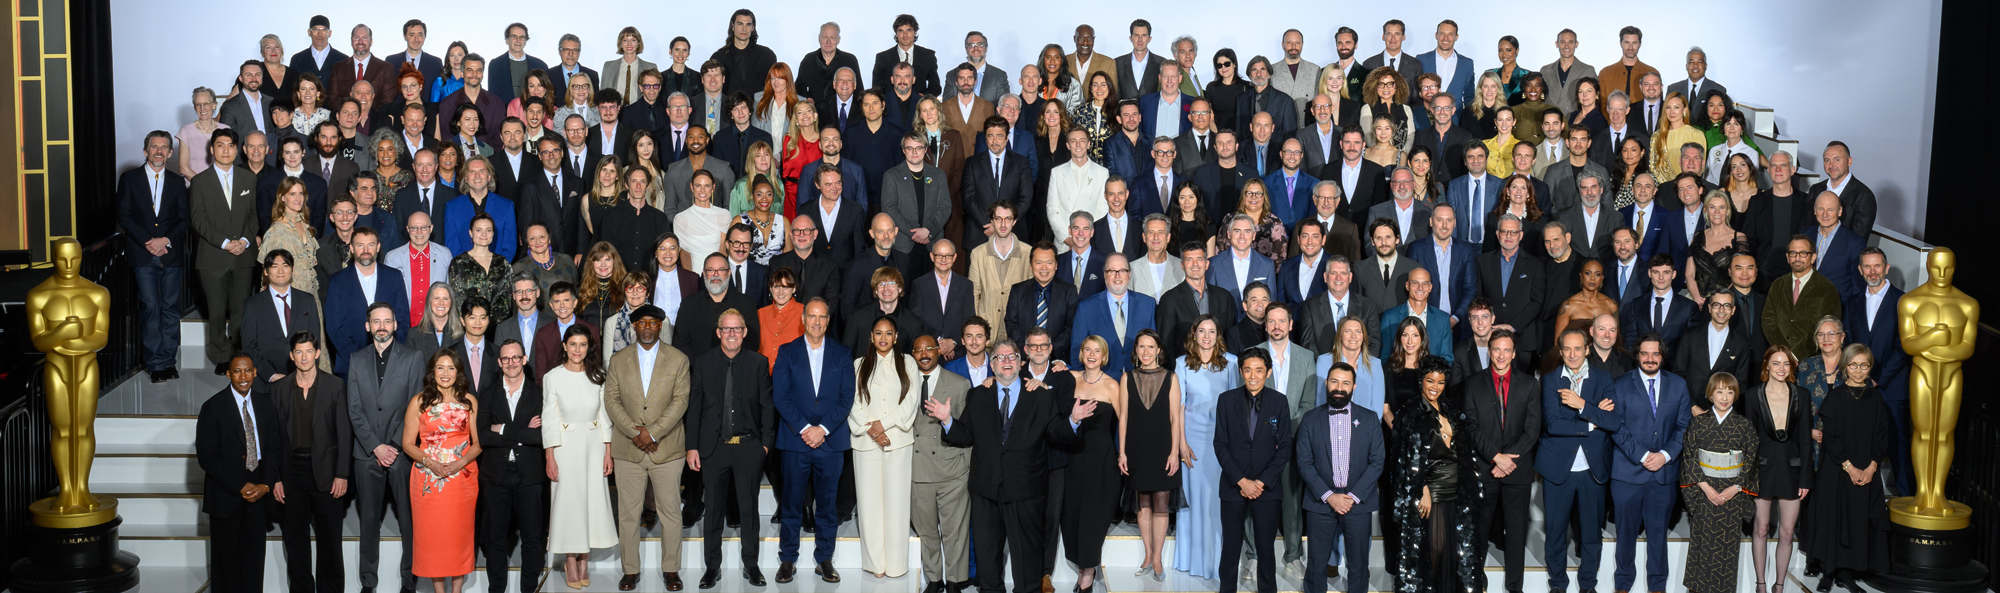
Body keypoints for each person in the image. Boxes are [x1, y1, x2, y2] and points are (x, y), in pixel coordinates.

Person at [927, 337, 1089, 593]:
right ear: (992, 365)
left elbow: (1056, 433)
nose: (1006, 361)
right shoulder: (977, 395)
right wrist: (948, 421)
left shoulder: (1041, 396)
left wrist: (1073, 420)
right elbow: (966, 435)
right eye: (1000, 357)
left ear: (1020, 362)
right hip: (986, 489)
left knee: (1027, 555)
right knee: (987, 554)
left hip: (1026, 489)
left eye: (1011, 357)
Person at [603, 301, 692, 592]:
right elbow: (611, 401)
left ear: (660, 326)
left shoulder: (678, 359)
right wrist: (635, 433)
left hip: (666, 450)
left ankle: (671, 570)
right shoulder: (618, 360)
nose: (647, 328)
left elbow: (680, 402)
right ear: (634, 326)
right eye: (642, 323)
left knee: (670, 513)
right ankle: (630, 570)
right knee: (628, 514)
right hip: (628, 451)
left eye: (653, 323)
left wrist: (652, 434)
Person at [686, 308, 775, 587]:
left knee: (748, 511)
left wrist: (765, 446)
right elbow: (695, 407)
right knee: (712, 511)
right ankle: (712, 567)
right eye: (727, 329)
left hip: (748, 448)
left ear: (745, 332)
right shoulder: (702, 362)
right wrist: (692, 447)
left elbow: (767, 408)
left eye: (737, 329)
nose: (732, 334)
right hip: (714, 449)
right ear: (718, 333)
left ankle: (752, 565)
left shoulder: (759, 363)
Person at [770, 297, 852, 583]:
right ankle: (788, 560)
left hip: (831, 443)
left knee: (827, 506)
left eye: (822, 317)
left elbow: (846, 398)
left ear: (828, 321)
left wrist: (823, 429)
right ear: (803, 319)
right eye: (812, 317)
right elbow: (780, 396)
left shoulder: (843, 354)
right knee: (791, 504)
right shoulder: (787, 351)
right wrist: (806, 428)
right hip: (795, 441)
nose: (817, 322)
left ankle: (824, 560)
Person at [1537, 330, 1623, 593]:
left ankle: (1588, 585)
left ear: (1587, 349)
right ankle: (1558, 585)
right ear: (1560, 351)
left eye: (1578, 349)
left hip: (1592, 469)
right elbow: (1553, 424)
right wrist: (1592, 423)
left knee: (1591, 533)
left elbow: (1613, 421)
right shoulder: (1551, 381)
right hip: (1557, 468)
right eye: (1567, 349)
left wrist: (1582, 404)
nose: (1572, 354)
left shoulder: (1603, 378)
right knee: (1555, 533)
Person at [196, 354, 287, 593]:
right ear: (228, 374)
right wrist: (239, 485)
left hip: (258, 497)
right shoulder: (213, 407)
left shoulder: (266, 404)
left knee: (253, 563)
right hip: (226, 497)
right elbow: (207, 456)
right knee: (225, 567)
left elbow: (275, 448)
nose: (243, 376)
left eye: (248, 371)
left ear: (255, 372)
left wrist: (266, 485)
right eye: (237, 371)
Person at [1610, 333, 1693, 593]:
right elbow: (1617, 428)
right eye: (1644, 353)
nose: (1650, 358)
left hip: (1664, 475)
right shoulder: (1620, 384)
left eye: (1655, 353)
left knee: (1658, 537)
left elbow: (1683, 426)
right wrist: (1644, 456)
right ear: (1637, 355)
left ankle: (1657, 587)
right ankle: (1622, 586)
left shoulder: (1678, 385)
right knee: (1625, 536)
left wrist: (1665, 455)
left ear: (1662, 356)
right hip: (1627, 474)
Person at [1390, 355, 1479, 593]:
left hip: (1455, 493)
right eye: (1430, 381)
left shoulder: (1450, 408)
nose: (1435, 387)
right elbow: (1404, 460)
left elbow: (1462, 452)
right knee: (1432, 554)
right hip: (1431, 494)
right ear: (1421, 381)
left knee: (1454, 555)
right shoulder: (1409, 414)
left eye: (1440, 382)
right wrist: (1423, 490)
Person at [1461, 330, 1539, 593]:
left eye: (1507, 350)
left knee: (1515, 535)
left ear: (1514, 353)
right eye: (1496, 349)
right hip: (1484, 469)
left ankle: (1515, 587)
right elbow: (1470, 427)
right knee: (1479, 533)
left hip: (1517, 472)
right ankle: (1476, 584)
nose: (1502, 355)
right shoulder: (1472, 383)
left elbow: (1532, 430)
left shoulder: (1529, 384)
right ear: (1489, 351)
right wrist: (1495, 457)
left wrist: (1507, 461)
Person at [1298, 361, 1385, 593]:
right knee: (1316, 565)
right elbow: (1304, 463)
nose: (1339, 387)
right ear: (1326, 384)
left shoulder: (1369, 419)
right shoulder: (1309, 419)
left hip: (1357, 503)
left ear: (1354, 386)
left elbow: (1377, 462)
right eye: (1334, 381)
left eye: (1345, 383)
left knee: (1358, 565)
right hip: (1320, 502)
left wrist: (1352, 496)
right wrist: (1329, 496)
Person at [476, 338, 555, 593]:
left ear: (524, 360)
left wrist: (504, 429)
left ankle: (528, 589)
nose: (511, 363)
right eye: (506, 359)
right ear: (499, 363)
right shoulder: (487, 394)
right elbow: (483, 437)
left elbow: (542, 436)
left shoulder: (539, 394)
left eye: (516, 358)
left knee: (532, 540)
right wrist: (522, 431)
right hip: (495, 477)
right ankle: (496, 589)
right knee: (495, 540)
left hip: (529, 477)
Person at [270, 334, 346, 593]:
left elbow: (344, 434)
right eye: (298, 352)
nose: (303, 357)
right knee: (295, 540)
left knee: (330, 541)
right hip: (292, 472)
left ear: (317, 353)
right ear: (292, 356)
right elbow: (274, 439)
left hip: (326, 471)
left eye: (308, 351)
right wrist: (276, 478)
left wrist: (342, 474)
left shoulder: (335, 386)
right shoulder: (279, 389)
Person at [400, 349, 481, 593]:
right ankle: (439, 590)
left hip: (462, 479)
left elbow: (478, 444)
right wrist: (431, 463)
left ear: (458, 372)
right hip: (428, 481)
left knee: (459, 535)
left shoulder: (469, 401)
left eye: (451, 368)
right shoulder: (419, 401)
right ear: (432, 371)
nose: (445, 373)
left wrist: (458, 463)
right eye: (440, 368)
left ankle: (456, 590)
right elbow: (407, 444)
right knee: (432, 538)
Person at [849, 316, 922, 579]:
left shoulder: (909, 363)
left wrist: (884, 425)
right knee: (869, 505)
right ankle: (874, 564)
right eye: (878, 333)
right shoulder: (859, 365)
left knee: (897, 504)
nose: (883, 338)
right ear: (871, 336)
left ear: (896, 336)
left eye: (888, 333)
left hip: (898, 442)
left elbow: (911, 401)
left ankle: (896, 565)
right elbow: (853, 403)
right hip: (866, 443)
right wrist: (873, 430)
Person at [1213, 348, 1292, 593]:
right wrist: (1241, 480)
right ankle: (1227, 589)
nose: (1253, 375)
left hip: (1266, 488)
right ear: (1241, 371)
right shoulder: (1226, 400)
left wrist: (1261, 482)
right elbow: (1220, 444)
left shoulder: (1279, 401)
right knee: (1231, 547)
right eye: (1247, 370)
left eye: (1259, 370)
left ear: (1268, 372)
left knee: (1266, 548)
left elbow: (1286, 446)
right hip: (1233, 485)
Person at [119, 131, 191, 382]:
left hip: (170, 255)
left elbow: (184, 218)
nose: (159, 151)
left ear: (170, 153)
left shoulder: (176, 181)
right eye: (154, 147)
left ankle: (169, 361)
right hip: (142, 254)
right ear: (145, 151)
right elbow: (124, 216)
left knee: (170, 309)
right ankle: (155, 363)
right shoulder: (129, 179)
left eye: (164, 147)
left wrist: (165, 240)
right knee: (150, 308)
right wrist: (148, 242)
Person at [1680, 372, 1760, 593]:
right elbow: (1689, 457)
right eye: (1719, 391)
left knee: (1726, 551)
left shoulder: (1744, 425)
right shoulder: (1698, 424)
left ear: (1736, 394)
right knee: (1702, 547)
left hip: (1732, 495)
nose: (1725, 397)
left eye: (1730, 391)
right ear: (1710, 394)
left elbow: (1751, 460)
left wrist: (1735, 488)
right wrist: (1705, 488)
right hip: (1705, 493)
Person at [1114, 330, 1183, 582]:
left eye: (1150, 347)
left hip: (1163, 447)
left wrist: (1174, 452)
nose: (1145, 351)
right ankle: (1147, 554)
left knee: (1161, 503)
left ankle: (1157, 559)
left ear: (1158, 350)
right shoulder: (1126, 378)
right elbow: (1124, 418)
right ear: (1136, 351)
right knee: (1142, 502)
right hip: (1136, 448)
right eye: (1141, 347)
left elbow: (1176, 418)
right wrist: (1122, 452)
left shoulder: (1171, 377)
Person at [908, 334, 975, 593]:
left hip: (952, 471)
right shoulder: (904, 382)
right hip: (917, 471)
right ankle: (934, 580)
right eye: (918, 350)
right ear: (912, 354)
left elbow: (967, 432)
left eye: (929, 349)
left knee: (955, 533)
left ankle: (956, 581)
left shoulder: (959, 384)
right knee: (927, 533)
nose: (924, 354)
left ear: (940, 351)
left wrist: (947, 420)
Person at [1173, 316, 1239, 578]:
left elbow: (1236, 407)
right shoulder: (1181, 364)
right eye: (1202, 331)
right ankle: (1193, 560)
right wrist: (1181, 444)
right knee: (1193, 501)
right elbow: (1178, 408)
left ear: (1218, 335)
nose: (1207, 336)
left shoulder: (1232, 363)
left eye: (1212, 331)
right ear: (1194, 334)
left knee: (1215, 501)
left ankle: (1217, 563)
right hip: (1193, 442)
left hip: (1221, 443)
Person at [191, 130, 260, 376]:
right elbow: (198, 220)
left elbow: (254, 216)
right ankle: (221, 356)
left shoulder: (248, 178)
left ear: (236, 149)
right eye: (220, 145)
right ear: (212, 149)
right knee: (217, 310)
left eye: (230, 145)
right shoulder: (199, 181)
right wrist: (224, 243)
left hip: (243, 255)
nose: (225, 150)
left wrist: (243, 240)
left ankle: (238, 354)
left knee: (241, 309)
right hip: (213, 257)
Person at [1060, 335, 1123, 591]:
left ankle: (1087, 571)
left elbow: (1124, 423)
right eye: (1088, 349)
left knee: (1094, 516)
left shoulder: (1112, 386)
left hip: (1103, 461)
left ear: (1104, 356)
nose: (1092, 354)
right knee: (1072, 513)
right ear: (1081, 353)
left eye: (1098, 350)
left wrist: (1124, 453)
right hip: (1072, 458)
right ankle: (1080, 564)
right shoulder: (1069, 380)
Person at [1763, 236, 1844, 356]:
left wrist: (1796, 355)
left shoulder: (1827, 288)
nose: (1797, 258)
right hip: (1780, 357)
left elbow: (1828, 326)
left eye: (1803, 253)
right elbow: (1768, 320)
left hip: (1811, 359)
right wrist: (1784, 352)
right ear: (1787, 258)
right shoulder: (1777, 285)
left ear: (1813, 258)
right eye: (1793, 253)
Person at [969, 202, 1034, 341]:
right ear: (992, 221)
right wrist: (977, 328)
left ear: (1014, 221)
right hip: (987, 329)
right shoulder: (978, 253)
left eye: (1008, 219)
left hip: (1017, 331)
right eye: (998, 219)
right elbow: (974, 294)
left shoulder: (1028, 253)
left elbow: (1032, 293)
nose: (1003, 224)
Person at [1805, 141, 1876, 238]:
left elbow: (1858, 239)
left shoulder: (1864, 196)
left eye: (1837, 160)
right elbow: (1806, 228)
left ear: (1849, 161)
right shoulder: (1815, 190)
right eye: (1827, 160)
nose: (1831, 165)